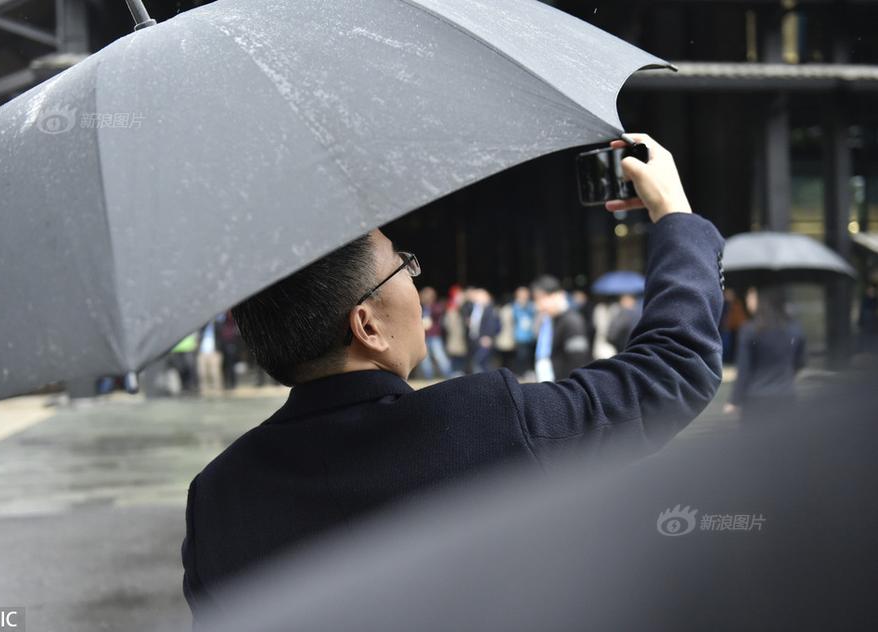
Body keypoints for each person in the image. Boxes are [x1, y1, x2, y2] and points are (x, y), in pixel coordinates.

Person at [181, 134, 725, 618]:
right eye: (402, 265)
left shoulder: (216, 499)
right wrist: (675, 217)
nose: (417, 282)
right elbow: (673, 367)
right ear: (366, 325)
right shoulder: (480, 425)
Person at [724, 286, 805, 424]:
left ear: (762, 299)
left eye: (751, 295)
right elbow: (800, 363)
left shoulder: (749, 330)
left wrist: (734, 400)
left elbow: (744, 370)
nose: (748, 300)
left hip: (756, 400)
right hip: (786, 396)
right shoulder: (794, 328)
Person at [531, 277, 592, 380]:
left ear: (558, 295)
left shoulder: (571, 321)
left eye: (542, 298)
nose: (538, 305)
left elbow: (577, 361)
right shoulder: (549, 320)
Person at [418, 286, 452, 379]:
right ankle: (428, 378)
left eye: (428, 295)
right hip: (423, 336)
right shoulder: (420, 307)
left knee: (440, 356)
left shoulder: (436, 306)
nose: (426, 297)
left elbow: (438, 313)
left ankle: (448, 376)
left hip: (434, 336)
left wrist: (430, 306)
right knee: (425, 359)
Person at [466, 288, 501, 373]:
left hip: (485, 340)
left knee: (480, 362)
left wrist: (488, 337)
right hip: (474, 338)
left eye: (479, 296)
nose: (476, 298)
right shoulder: (474, 308)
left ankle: (488, 381)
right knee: (479, 363)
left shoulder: (490, 309)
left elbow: (493, 325)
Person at [443, 285, 469, 376]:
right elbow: (448, 324)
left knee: (460, 357)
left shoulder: (464, 307)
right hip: (455, 337)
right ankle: (454, 374)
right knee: (455, 357)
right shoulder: (452, 308)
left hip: (461, 338)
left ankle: (457, 373)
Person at [511, 286, 537, 378]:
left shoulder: (531, 305)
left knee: (529, 355)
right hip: (520, 336)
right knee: (521, 356)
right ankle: (519, 373)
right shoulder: (515, 305)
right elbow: (514, 317)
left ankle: (527, 371)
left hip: (530, 335)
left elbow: (534, 313)